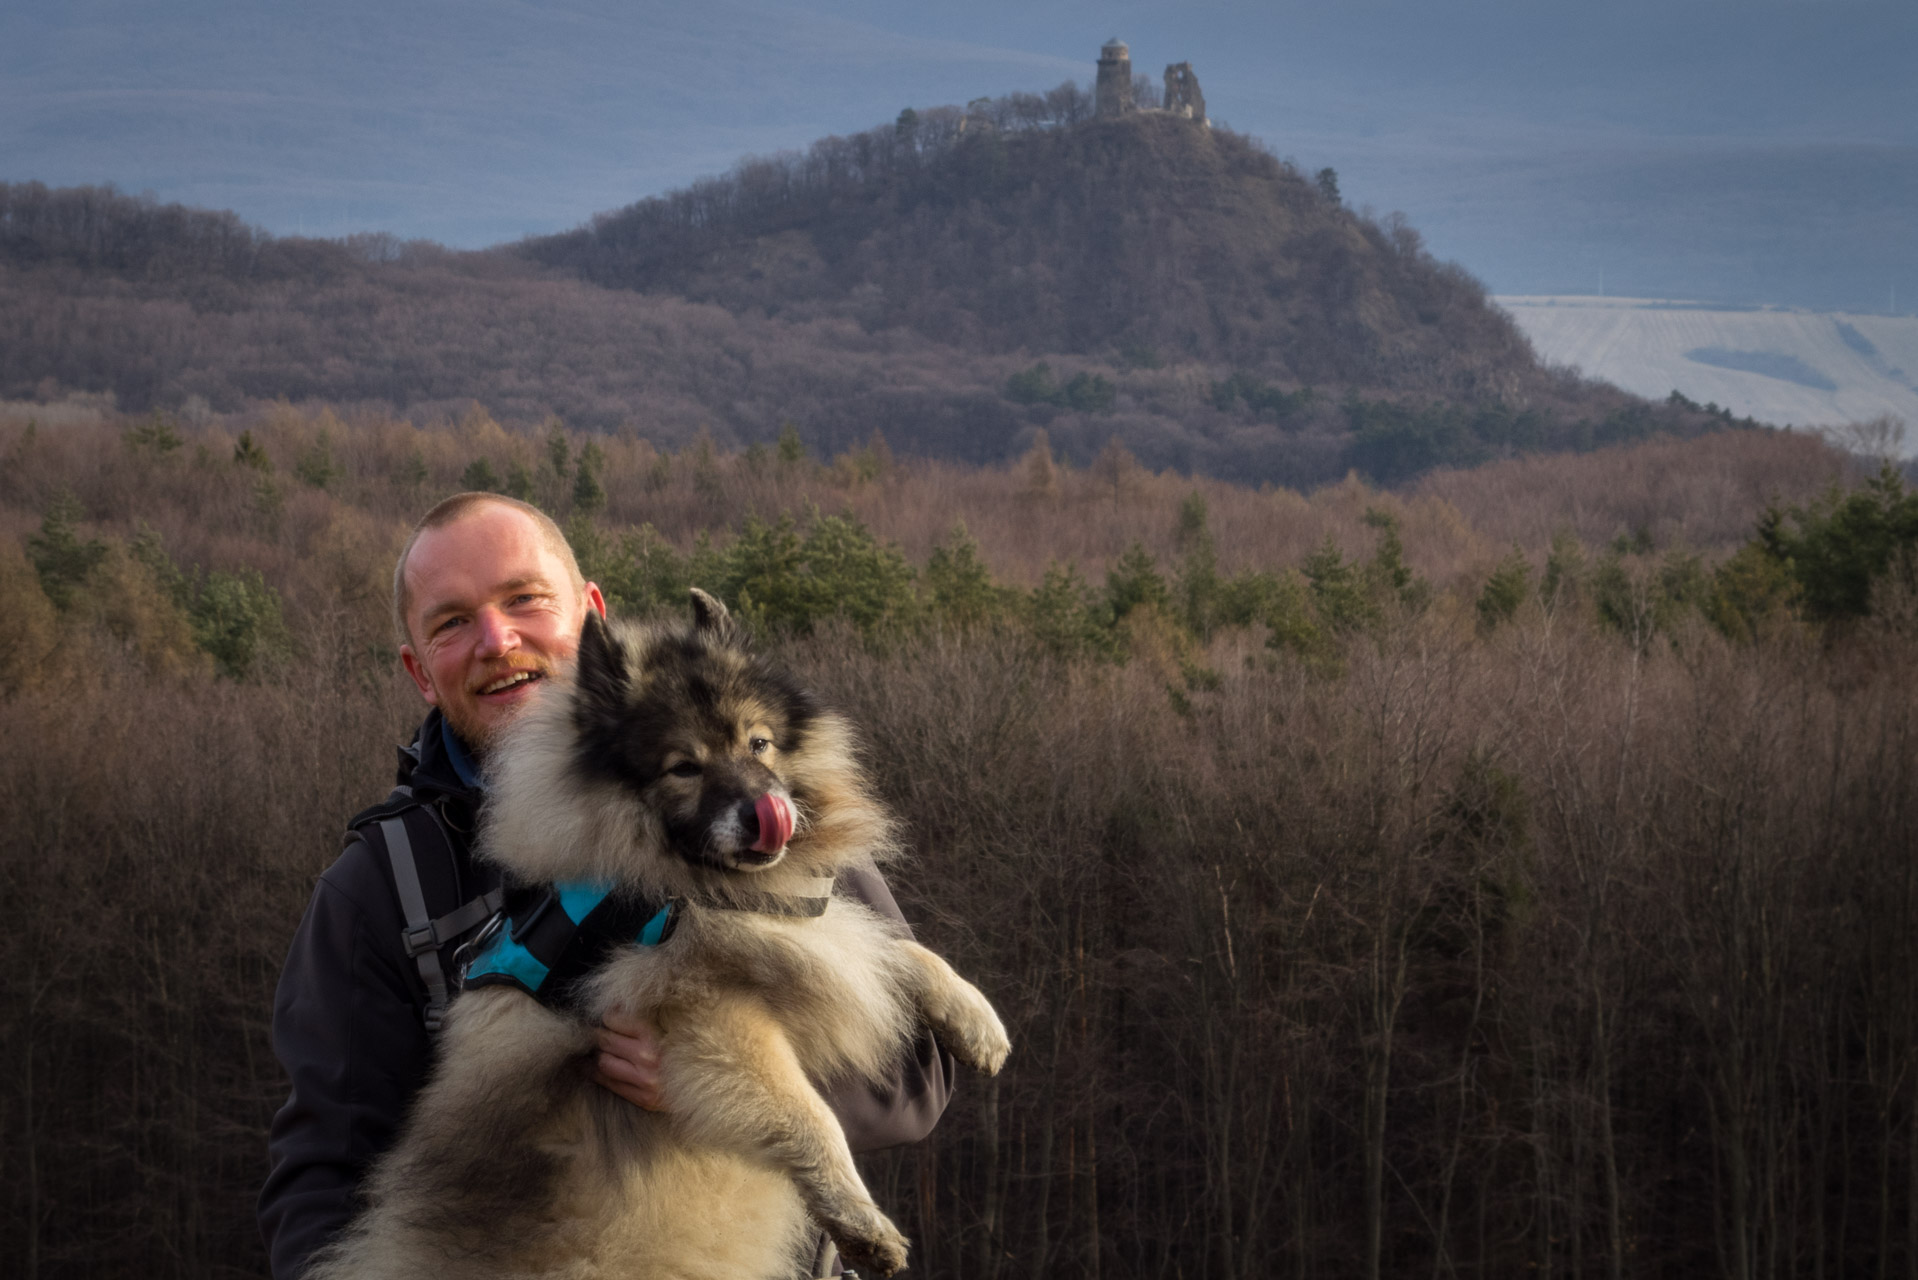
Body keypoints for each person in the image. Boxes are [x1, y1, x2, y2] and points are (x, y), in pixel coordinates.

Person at [258, 492, 953, 1278]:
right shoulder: (379, 888)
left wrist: (715, 1089)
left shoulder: (758, 807)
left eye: (524, 599)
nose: (497, 639)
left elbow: (918, 1075)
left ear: (592, 614)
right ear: (421, 671)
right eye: (452, 622)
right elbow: (322, 1174)